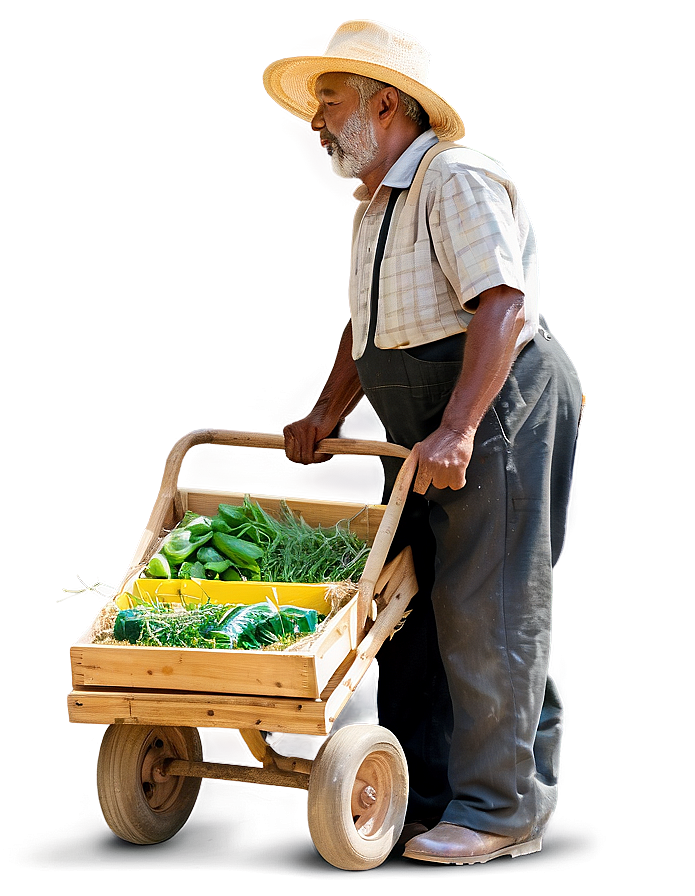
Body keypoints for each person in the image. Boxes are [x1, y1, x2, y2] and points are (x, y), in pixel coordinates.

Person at [263, 20, 583, 864]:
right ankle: (431, 793)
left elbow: (503, 304)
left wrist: (461, 427)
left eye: (328, 103)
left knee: (490, 606)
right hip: (429, 429)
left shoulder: (455, 177)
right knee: (411, 605)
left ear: (386, 103)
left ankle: (501, 809)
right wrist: (325, 409)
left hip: (495, 411)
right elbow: (370, 330)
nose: (315, 124)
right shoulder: (380, 203)